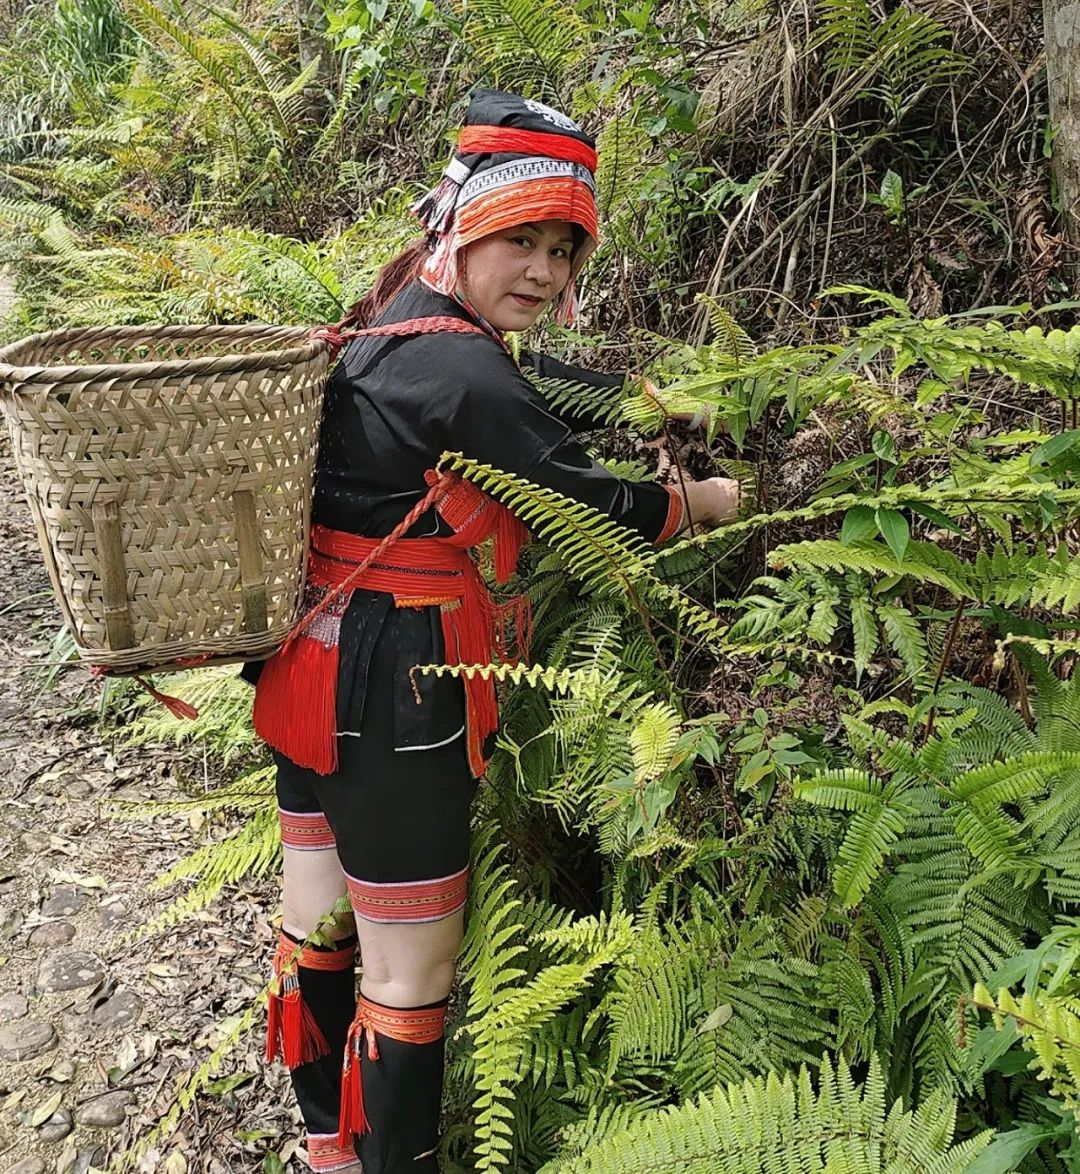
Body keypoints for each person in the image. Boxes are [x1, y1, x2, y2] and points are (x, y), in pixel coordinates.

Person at [248, 88, 740, 1174]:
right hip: (398, 686)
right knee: (409, 978)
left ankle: (330, 1152)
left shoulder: (395, 309)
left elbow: (535, 387)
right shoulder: (464, 370)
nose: (546, 274)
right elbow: (583, 497)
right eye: (524, 239)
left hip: (307, 661)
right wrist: (699, 506)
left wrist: (644, 399)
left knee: (318, 919)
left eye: (565, 251)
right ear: (468, 223)